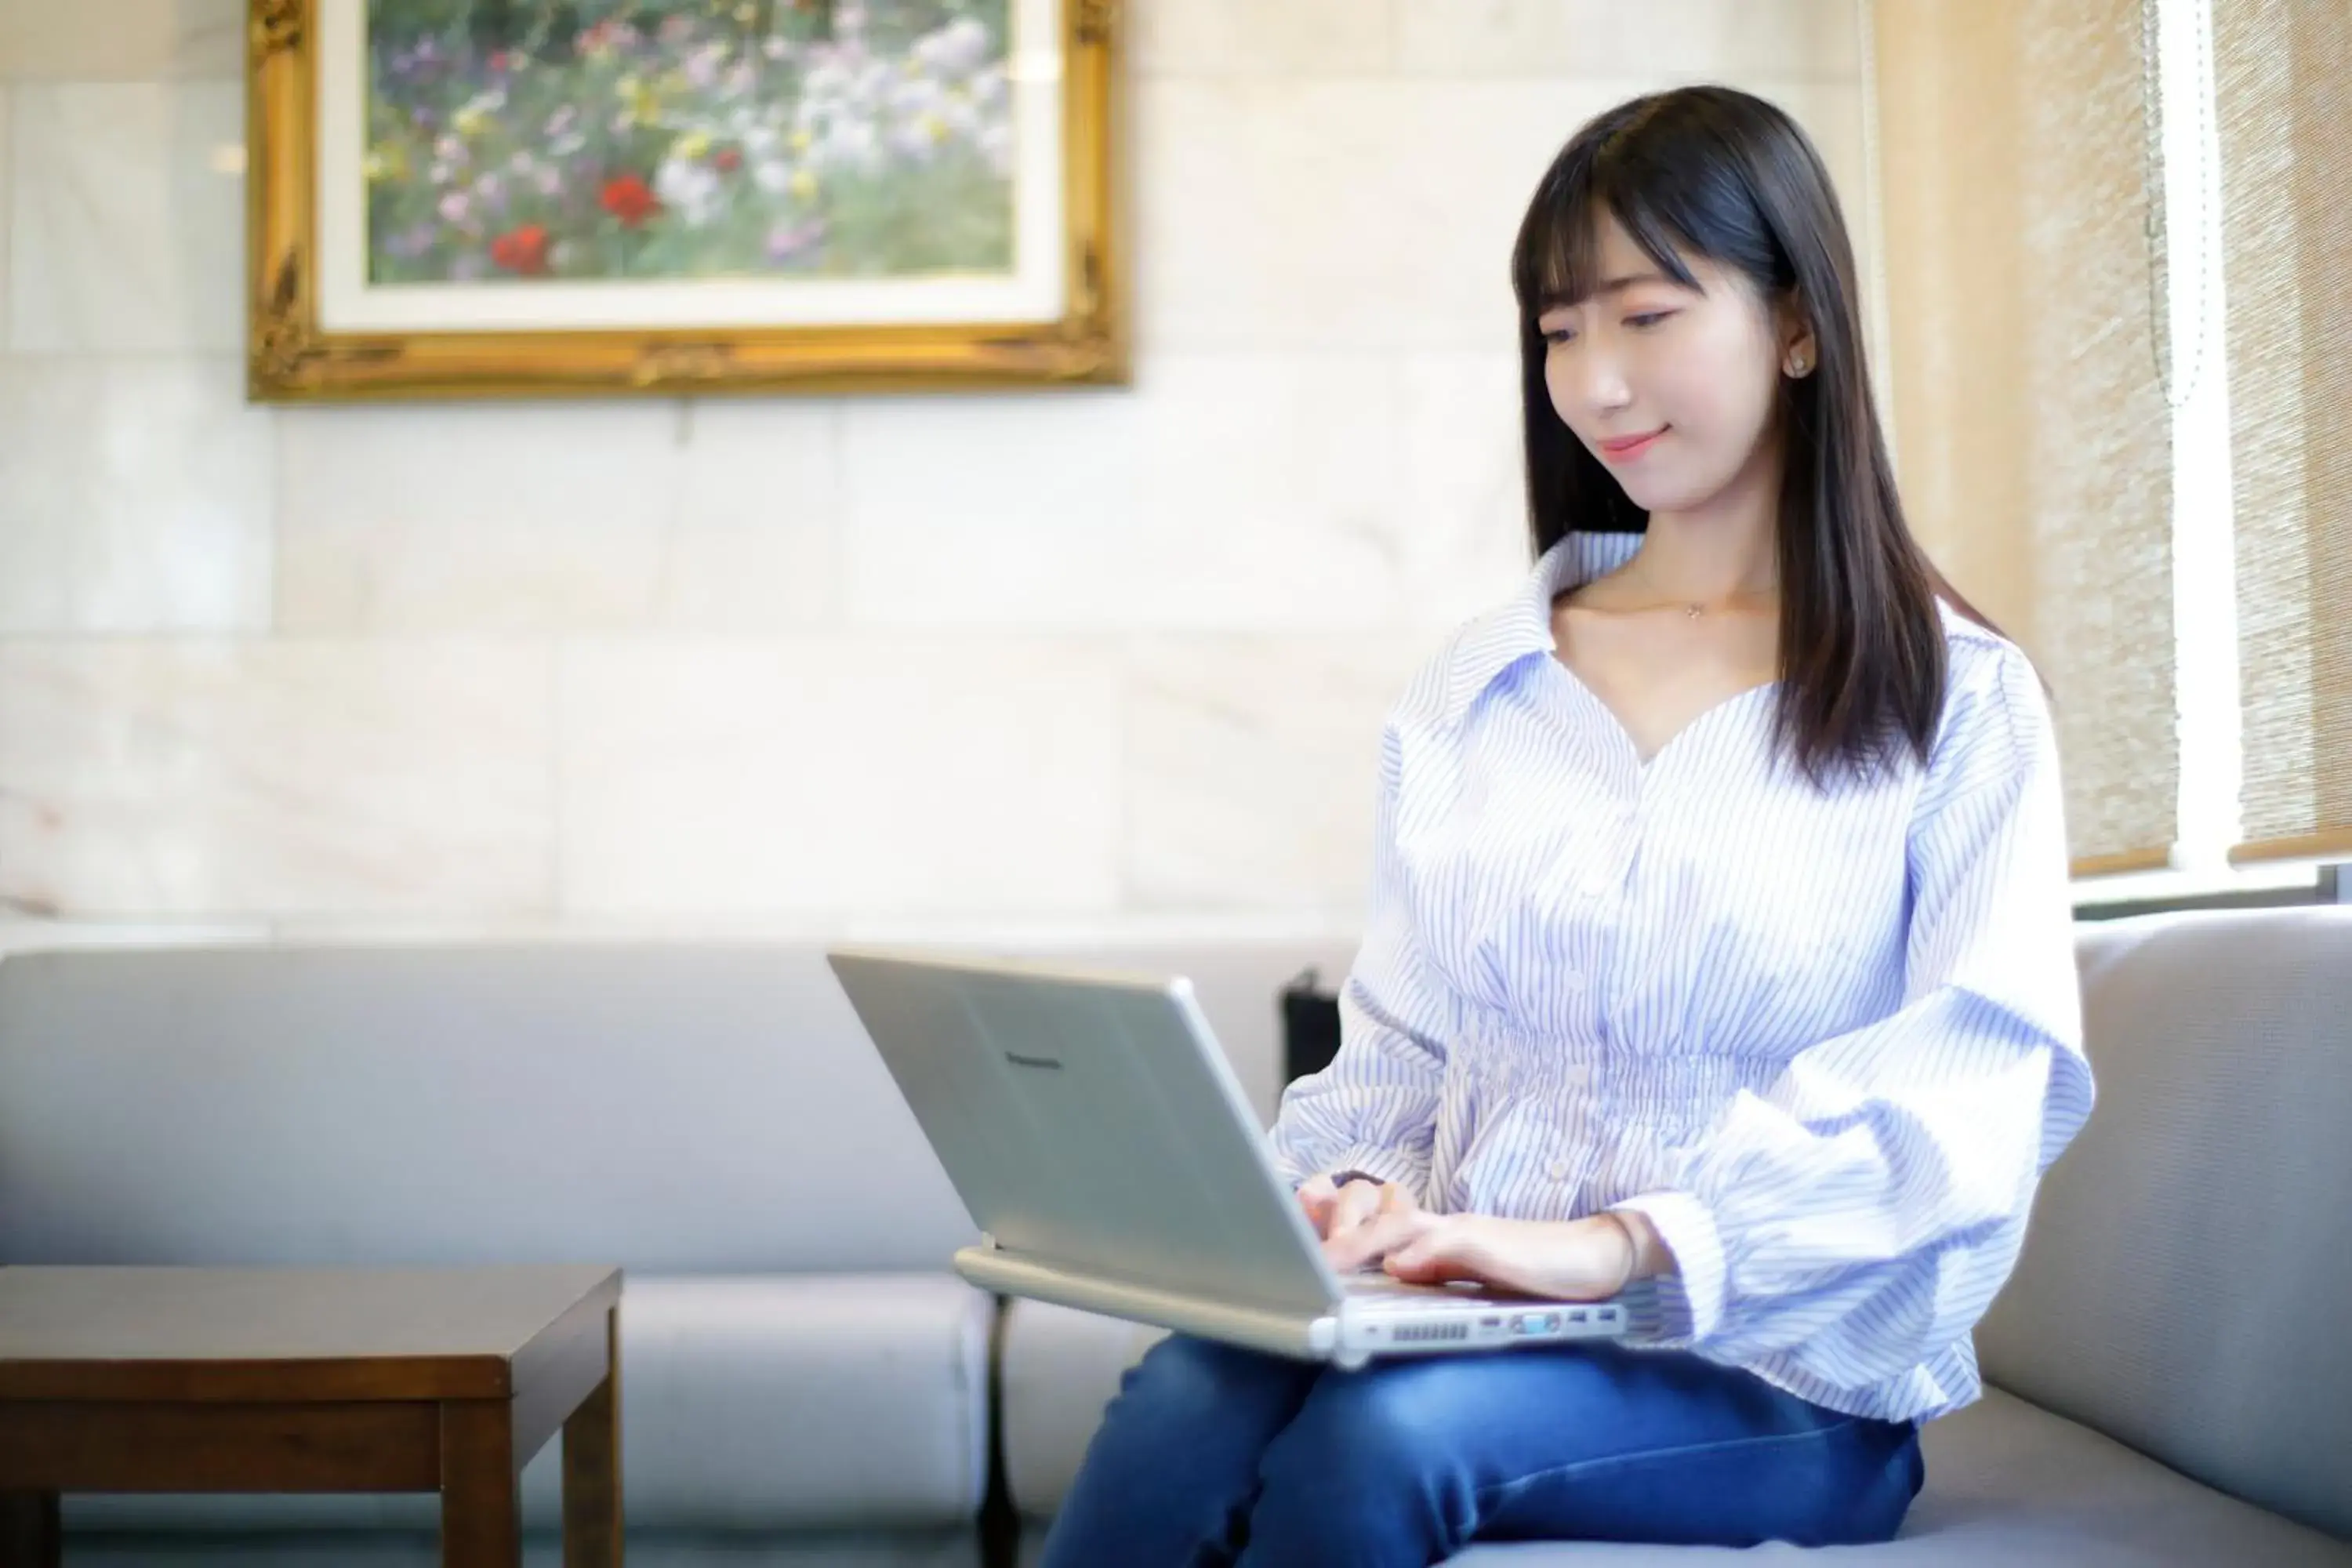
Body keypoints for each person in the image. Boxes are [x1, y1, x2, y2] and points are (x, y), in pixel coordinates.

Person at [1036, 85, 2095, 1566]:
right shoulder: (1481, 688)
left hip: (1778, 1376)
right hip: (1469, 1327)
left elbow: (1964, 1118)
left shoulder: (1955, 699)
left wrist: (1618, 1249)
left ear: (1797, 325)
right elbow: (1401, 1044)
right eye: (1557, 331)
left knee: (1377, 1446)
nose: (1597, 382)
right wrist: (1348, 1196)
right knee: (1184, 1397)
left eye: (1648, 316)